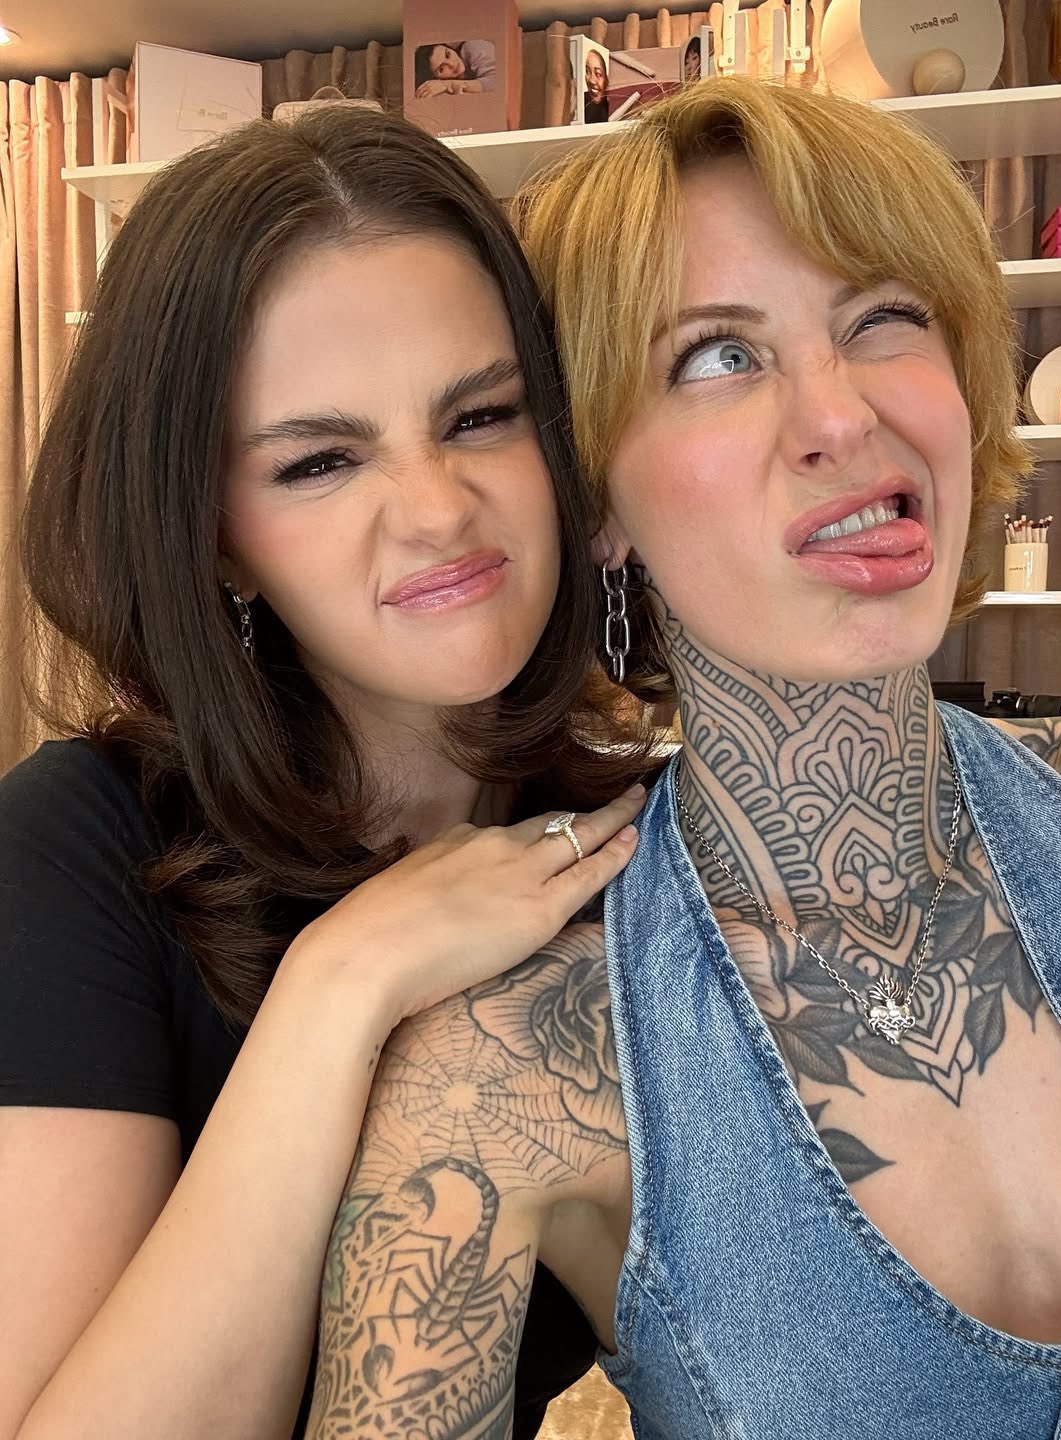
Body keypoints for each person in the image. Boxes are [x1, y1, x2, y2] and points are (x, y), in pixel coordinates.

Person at [306, 77, 1061, 1440]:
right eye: (718, 355)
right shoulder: (514, 1070)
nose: (842, 415)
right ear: (598, 500)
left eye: (883, 318)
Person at [0, 104, 654, 1440]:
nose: (438, 509)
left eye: (481, 415)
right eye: (319, 461)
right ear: (214, 535)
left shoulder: (630, 850)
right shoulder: (70, 854)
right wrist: (342, 984)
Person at [415, 40, 496, 99]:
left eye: (448, 54)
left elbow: (496, 82)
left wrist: (447, 84)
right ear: (435, 79)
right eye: (441, 69)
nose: (452, 64)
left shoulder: (473, 47)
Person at [583, 48, 609, 123]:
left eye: (598, 74)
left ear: (606, 80)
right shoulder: (581, 103)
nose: (592, 80)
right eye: (587, 71)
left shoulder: (611, 106)